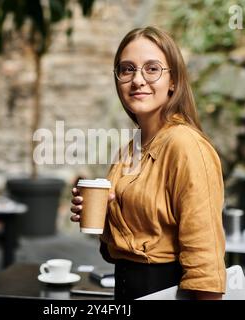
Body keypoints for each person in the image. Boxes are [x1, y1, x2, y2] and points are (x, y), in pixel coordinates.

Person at [70, 26, 226, 300]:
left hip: (165, 290)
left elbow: (206, 264)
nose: (137, 80)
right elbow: (118, 250)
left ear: (174, 80)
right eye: (127, 69)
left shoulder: (186, 145)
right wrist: (105, 219)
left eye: (152, 69)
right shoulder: (130, 150)